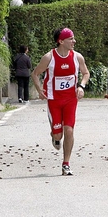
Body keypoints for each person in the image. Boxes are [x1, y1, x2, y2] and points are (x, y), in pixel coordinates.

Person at [31, 27, 90, 175]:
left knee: (69, 130)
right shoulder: (48, 58)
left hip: (70, 99)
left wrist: (81, 86)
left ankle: (66, 164)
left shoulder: (77, 57)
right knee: (58, 135)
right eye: (71, 39)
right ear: (61, 41)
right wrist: (39, 90)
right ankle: (54, 136)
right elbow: (35, 74)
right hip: (54, 100)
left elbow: (85, 73)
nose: (74, 41)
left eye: (73, 38)